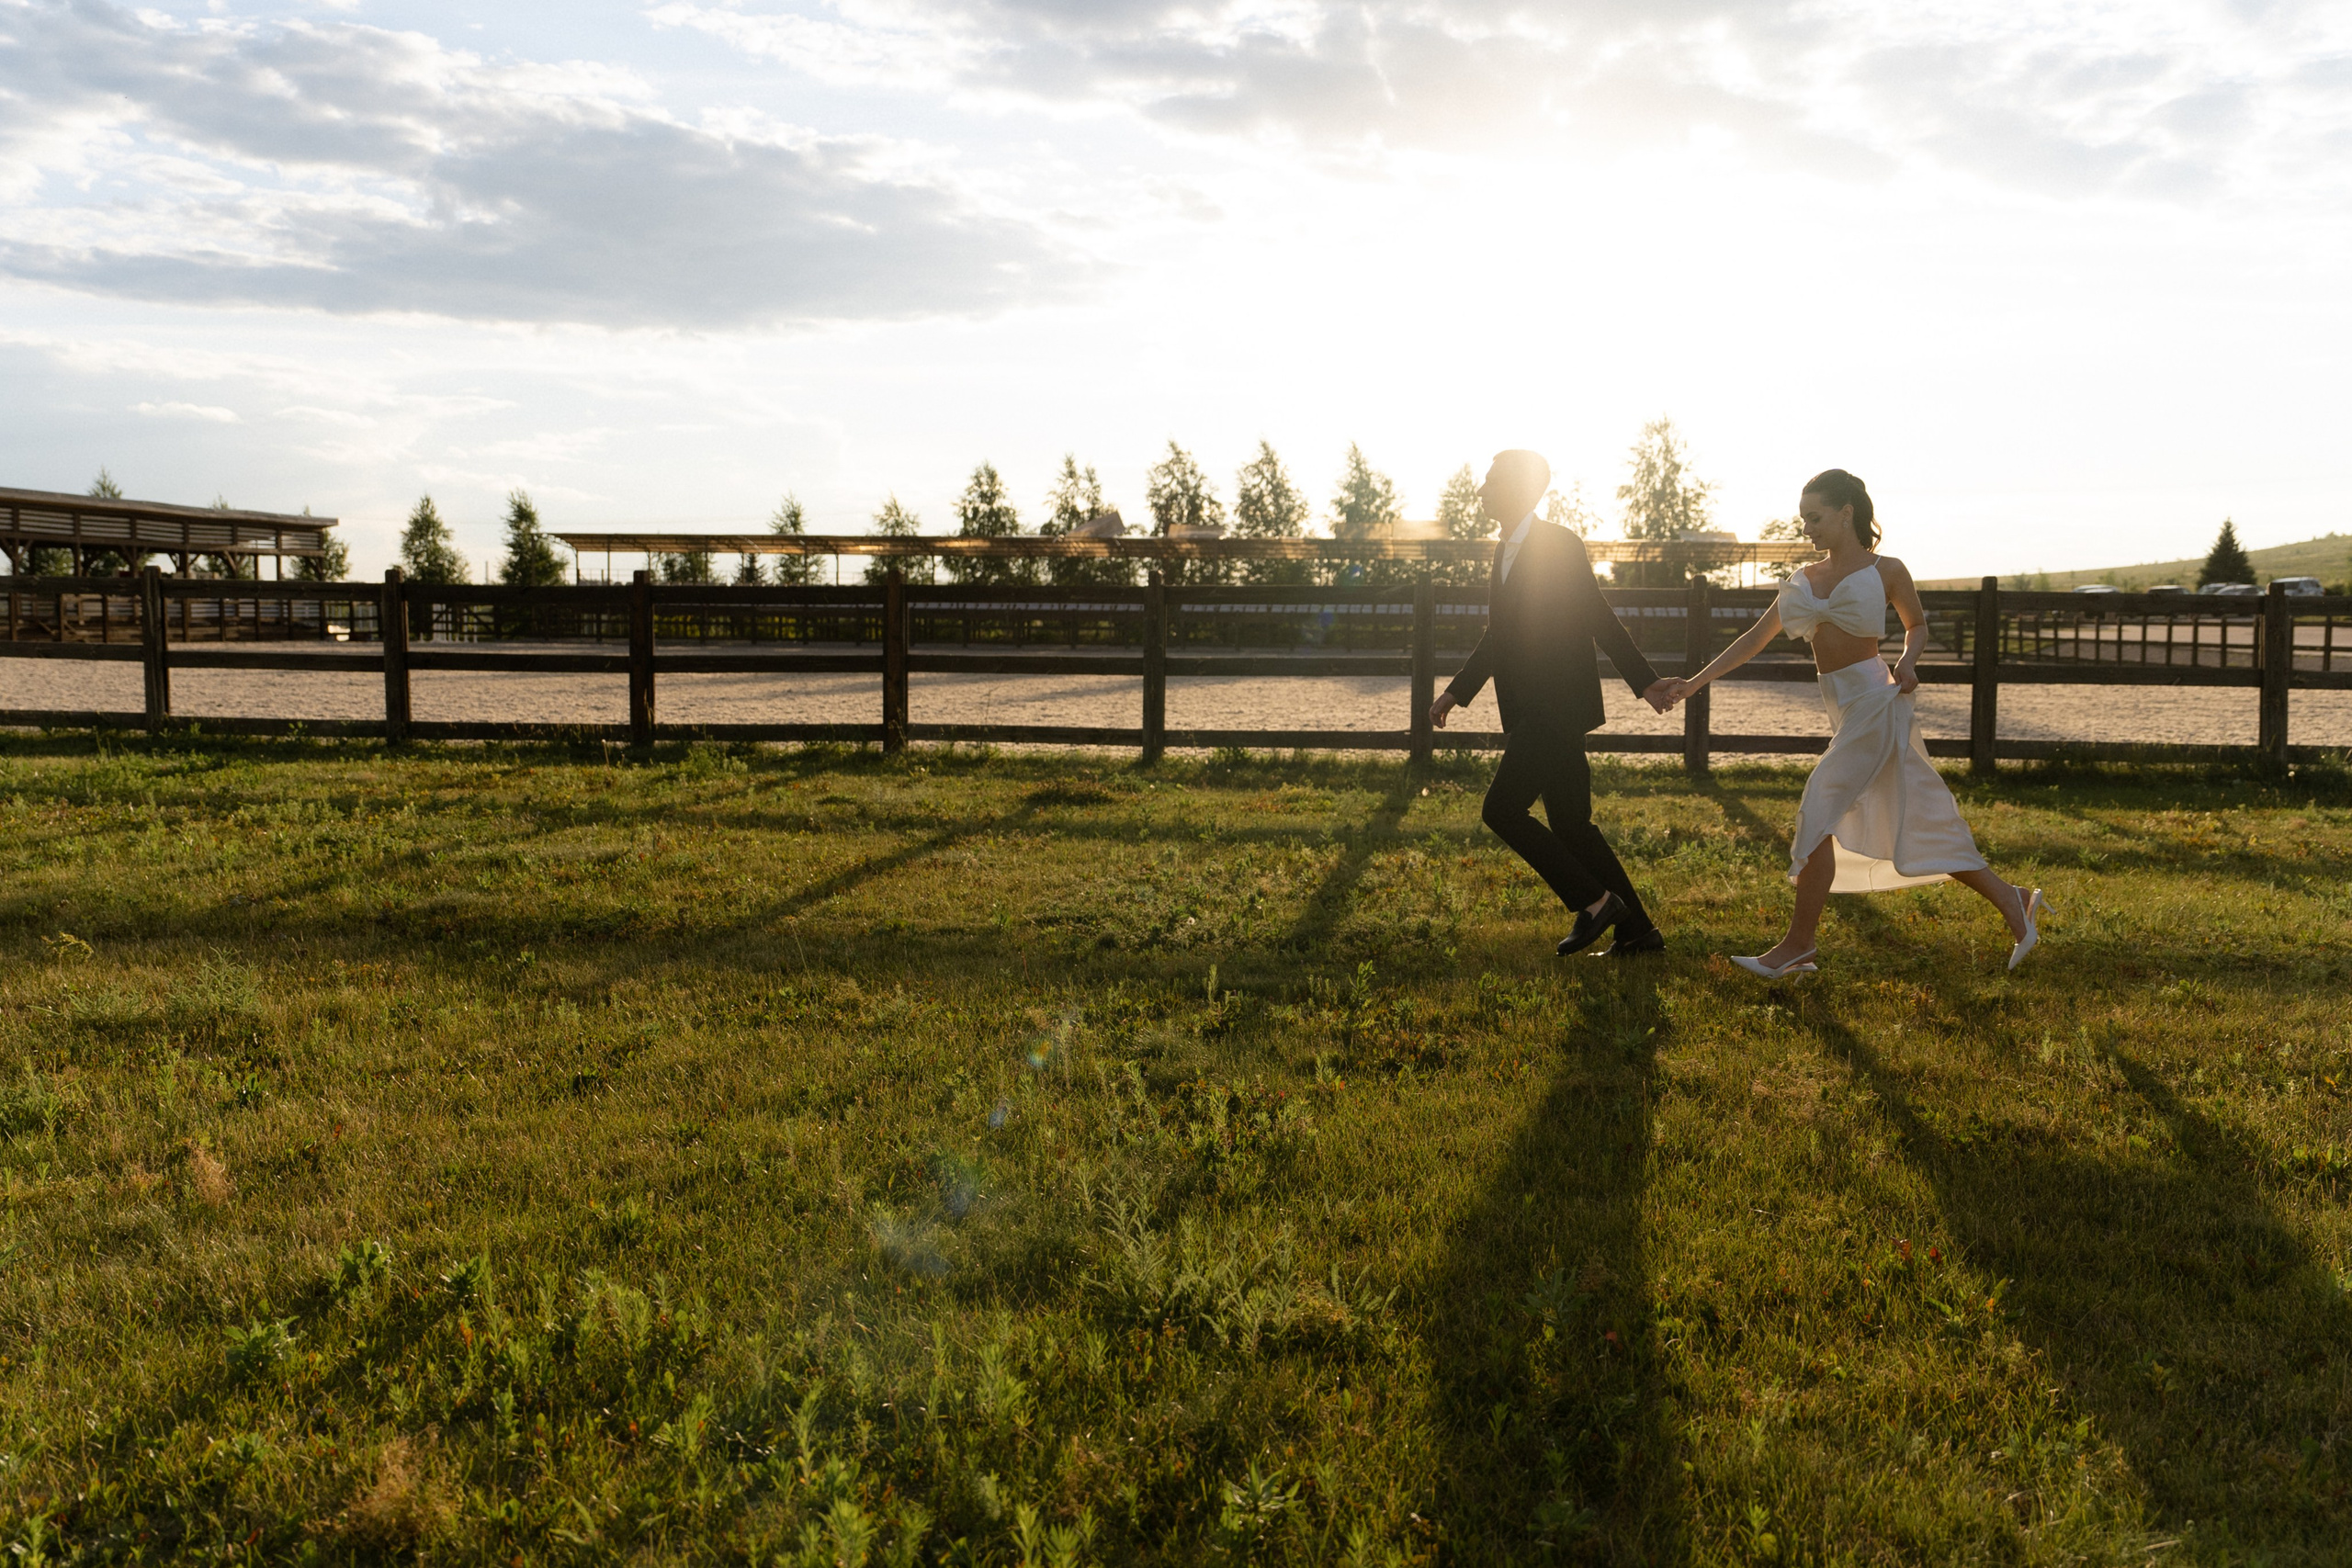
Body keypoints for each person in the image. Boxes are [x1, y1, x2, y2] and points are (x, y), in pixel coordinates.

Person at [1657, 469, 2048, 976]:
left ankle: (1798, 946)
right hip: (1842, 709)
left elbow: (1917, 625)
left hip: (1876, 702)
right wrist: (1693, 683)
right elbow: (1753, 639)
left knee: (1819, 807)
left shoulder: (1888, 570)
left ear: (1846, 514)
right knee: (1919, 819)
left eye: (1815, 517)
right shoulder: (1803, 580)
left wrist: (1908, 661)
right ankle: (2014, 900)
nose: (1806, 529)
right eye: (1803, 520)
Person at [1430, 450, 1679, 957]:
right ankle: (1638, 933)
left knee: (1501, 810)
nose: (1481, 490)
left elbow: (1597, 615)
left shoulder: (1559, 544)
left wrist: (1645, 681)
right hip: (1532, 709)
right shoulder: (1503, 551)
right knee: (1571, 826)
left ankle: (1594, 901)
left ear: (1519, 489)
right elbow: (1498, 636)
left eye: (1491, 481)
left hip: (1557, 707)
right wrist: (1458, 690)